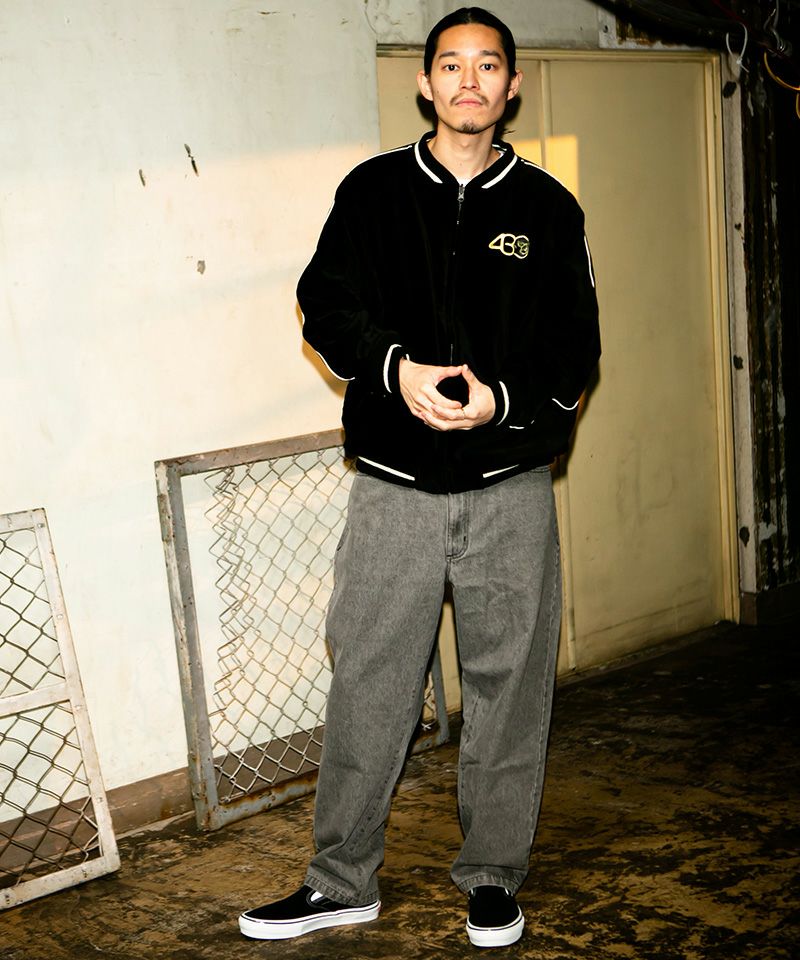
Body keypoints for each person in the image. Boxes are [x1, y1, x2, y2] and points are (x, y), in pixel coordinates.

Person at [239, 5, 600, 948]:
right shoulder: (372, 193)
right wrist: (393, 368)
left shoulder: (548, 210)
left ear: (511, 86)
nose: (469, 80)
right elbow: (325, 304)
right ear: (425, 81)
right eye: (451, 64)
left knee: (509, 687)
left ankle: (493, 876)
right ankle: (340, 881)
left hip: (509, 487)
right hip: (393, 487)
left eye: (488, 65)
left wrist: (500, 402)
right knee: (368, 681)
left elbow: (574, 348)